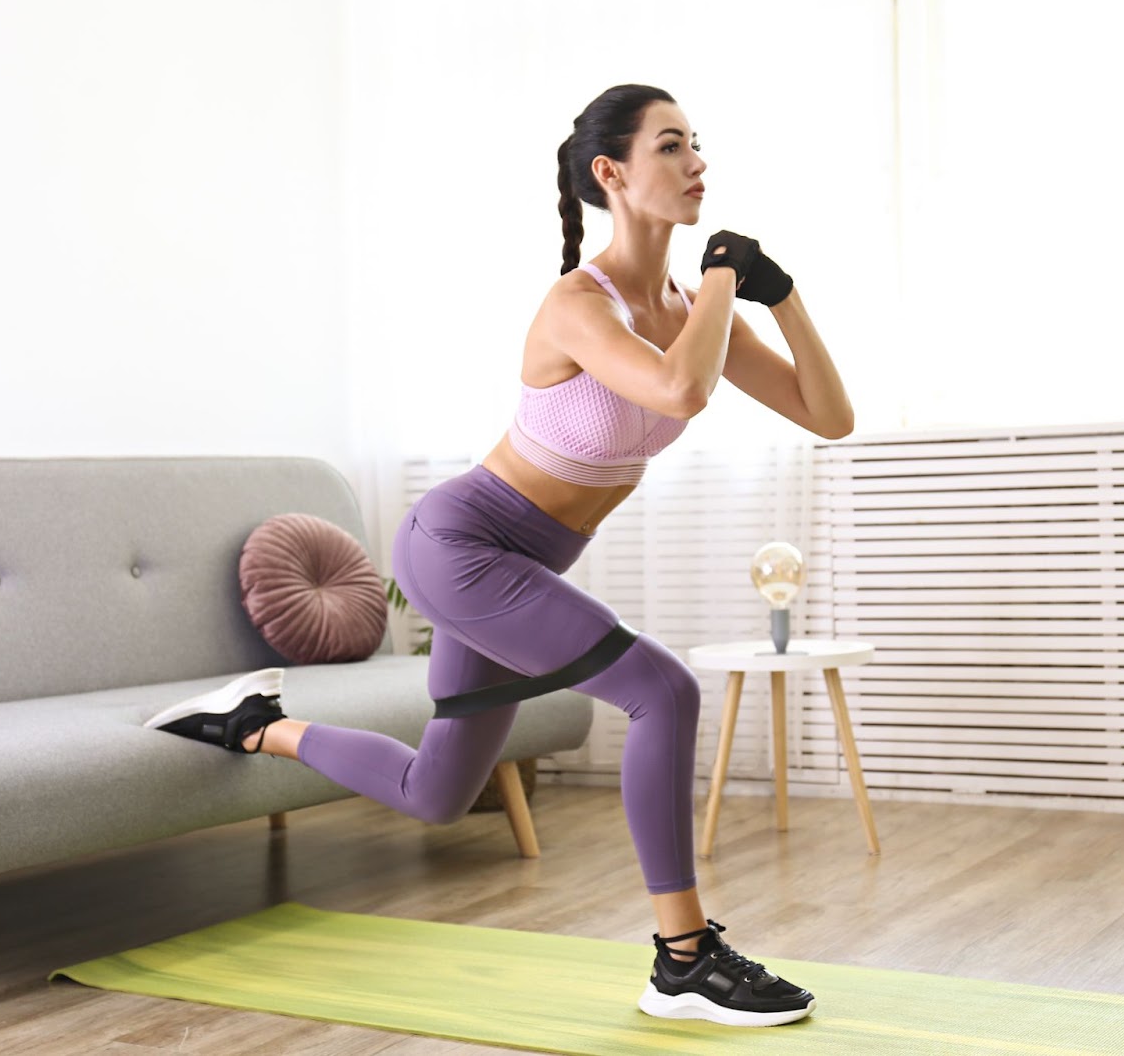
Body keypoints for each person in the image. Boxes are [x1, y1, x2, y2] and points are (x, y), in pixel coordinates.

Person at [147, 83, 854, 1028]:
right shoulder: (576, 305)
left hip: (517, 566)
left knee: (435, 792)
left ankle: (253, 726)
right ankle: (683, 959)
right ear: (612, 173)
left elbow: (830, 417)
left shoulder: (695, 305)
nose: (698, 164)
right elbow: (680, 393)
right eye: (674, 146)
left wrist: (785, 294)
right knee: (664, 690)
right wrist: (726, 282)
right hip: (463, 546)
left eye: (699, 145)